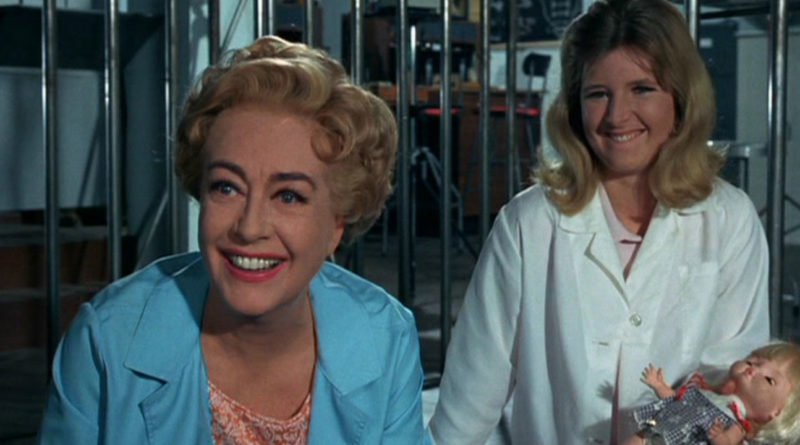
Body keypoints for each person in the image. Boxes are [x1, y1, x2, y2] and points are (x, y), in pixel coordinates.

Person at [37, 35, 426, 444]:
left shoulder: (385, 337)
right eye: (227, 187)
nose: (249, 227)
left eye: (288, 196)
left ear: (337, 224)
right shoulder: (108, 339)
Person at [427, 0, 769, 443]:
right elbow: (470, 398)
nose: (616, 116)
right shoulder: (529, 222)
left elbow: (733, 387)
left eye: (642, 89)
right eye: (597, 94)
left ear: (681, 100)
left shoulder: (729, 219)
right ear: (574, 107)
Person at [623, 341, 800, 444]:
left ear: (775, 414)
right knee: (640, 438)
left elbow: (728, 442)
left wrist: (719, 437)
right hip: (661, 431)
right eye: (751, 362)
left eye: (769, 379)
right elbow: (678, 403)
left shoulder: (738, 423)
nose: (753, 370)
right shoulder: (706, 394)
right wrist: (659, 386)